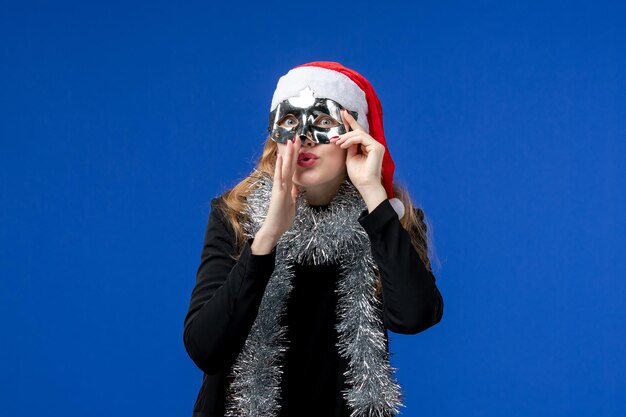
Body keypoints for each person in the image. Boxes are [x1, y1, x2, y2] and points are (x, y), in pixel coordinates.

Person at [183, 61, 444, 417]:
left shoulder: (389, 216)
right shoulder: (236, 213)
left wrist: (373, 194)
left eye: (323, 122)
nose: (304, 136)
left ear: (356, 136)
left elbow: (415, 317)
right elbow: (205, 348)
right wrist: (268, 236)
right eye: (290, 121)